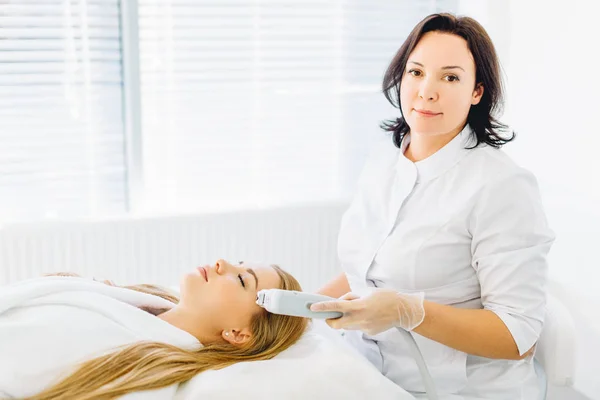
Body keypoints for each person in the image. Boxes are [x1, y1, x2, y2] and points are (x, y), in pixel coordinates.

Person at [312, 13, 555, 399]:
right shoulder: (383, 161)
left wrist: (408, 311)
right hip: (372, 374)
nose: (426, 91)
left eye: (450, 77)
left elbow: (519, 336)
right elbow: (364, 271)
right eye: (416, 72)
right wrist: (304, 314)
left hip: (461, 390)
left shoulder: (501, 186)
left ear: (477, 91)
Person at [24, 259, 308, 400]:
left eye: (242, 280)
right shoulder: (139, 299)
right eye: (239, 262)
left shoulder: (147, 374)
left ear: (237, 333)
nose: (223, 263)